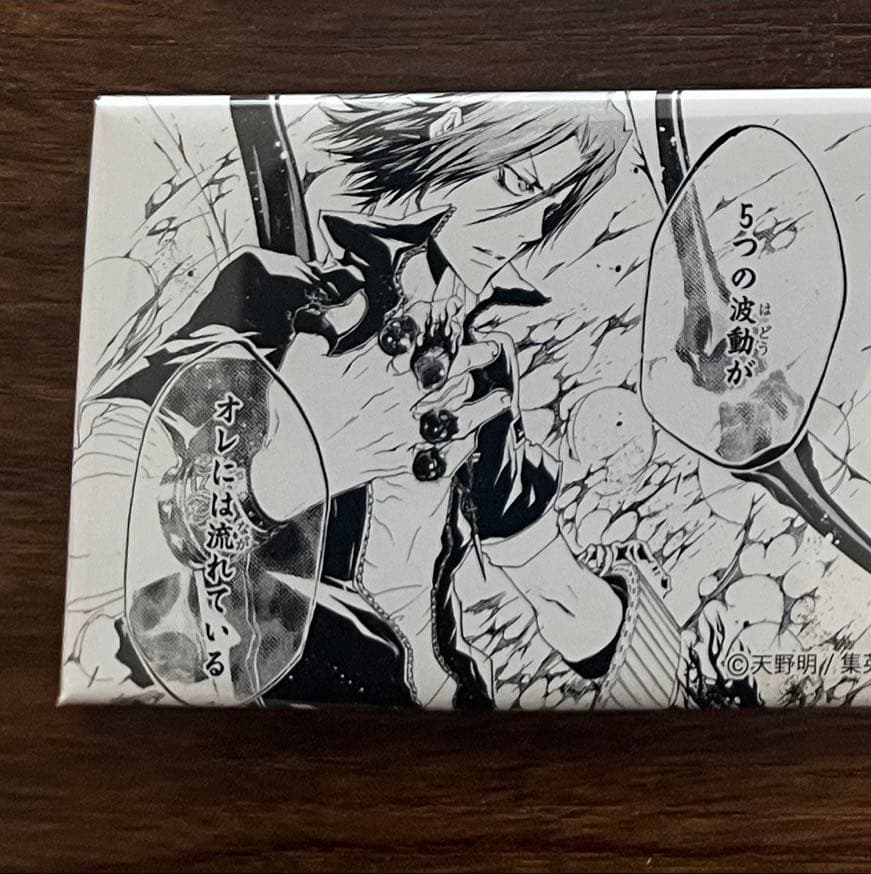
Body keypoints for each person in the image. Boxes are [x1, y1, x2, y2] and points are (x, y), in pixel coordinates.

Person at [98, 94, 685, 710]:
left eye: (553, 207)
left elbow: (554, 586)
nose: (529, 228)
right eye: (519, 181)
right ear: (455, 135)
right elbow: (106, 507)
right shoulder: (276, 302)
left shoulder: (475, 373)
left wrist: (679, 675)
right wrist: (290, 470)